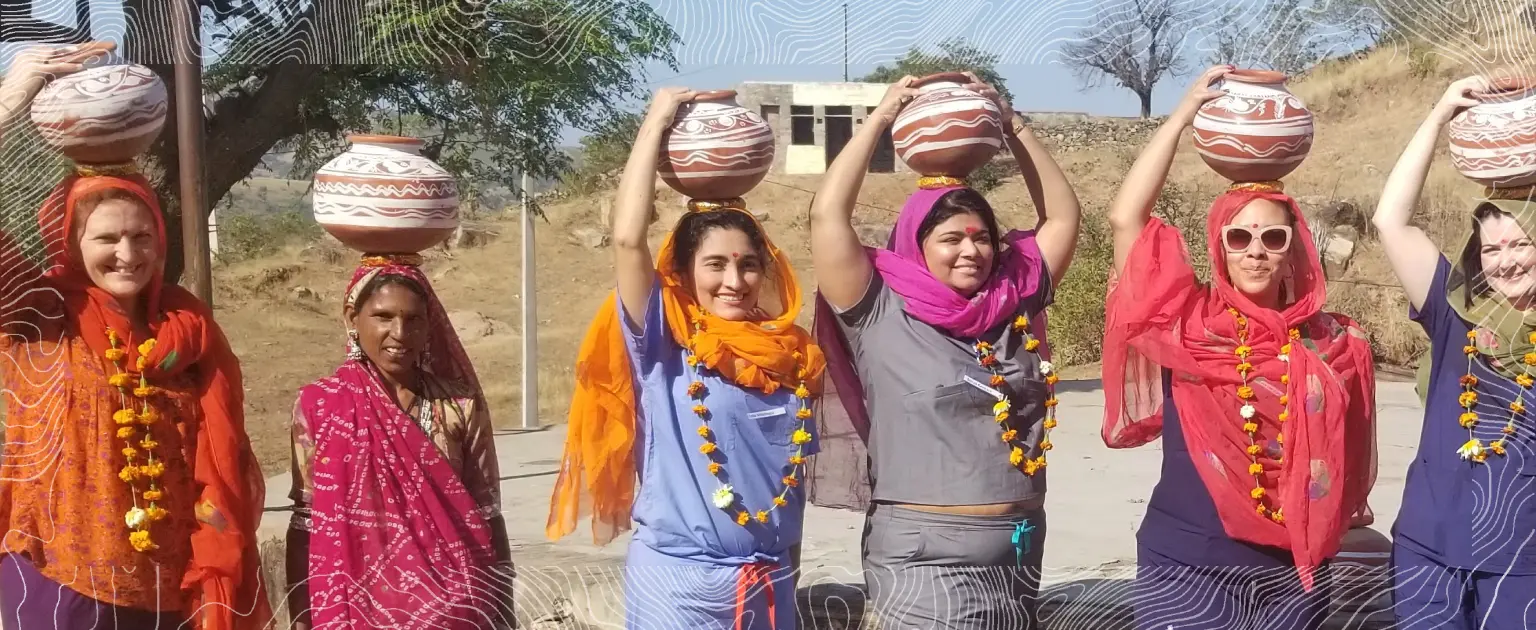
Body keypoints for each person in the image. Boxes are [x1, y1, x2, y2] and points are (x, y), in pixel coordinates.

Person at [0, 44, 272, 630]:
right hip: (59, 581)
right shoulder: (39, 316)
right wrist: (7, 104)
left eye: (142, 236)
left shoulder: (189, 331)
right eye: (106, 239)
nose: (128, 254)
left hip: (170, 591)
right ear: (69, 243)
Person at [1101, 65, 1377, 630]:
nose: (1255, 251)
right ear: (1219, 247)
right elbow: (1126, 218)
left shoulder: (1333, 341)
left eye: (1273, 237)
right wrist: (1182, 116)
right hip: (1188, 564)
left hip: (1294, 572)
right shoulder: (1187, 323)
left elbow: (1349, 457)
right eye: (1239, 237)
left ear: (1293, 250)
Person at [807, 73, 1082, 629]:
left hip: (1019, 553)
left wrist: (1012, 123)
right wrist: (881, 118)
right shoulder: (876, 306)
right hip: (924, 560)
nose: (970, 251)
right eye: (951, 239)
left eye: (981, 237)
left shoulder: (1012, 300)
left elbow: (1062, 218)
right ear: (918, 243)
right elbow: (826, 215)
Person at [546, 87, 826, 630]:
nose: (734, 280)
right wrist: (657, 120)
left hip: (769, 581)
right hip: (678, 586)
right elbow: (627, 242)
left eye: (747, 265)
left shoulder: (790, 356)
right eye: (715, 264)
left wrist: (784, 582)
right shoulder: (665, 345)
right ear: (684, 271)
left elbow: (785, 493)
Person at [1373, 74, 1536, 629]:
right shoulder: (1454, 315)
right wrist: (1440, 113)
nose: (1505, 261)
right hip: (1429, 552)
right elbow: (1390, 220)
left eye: (1521, 244)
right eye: (1491, 249)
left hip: (1522, 565)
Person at [284, 255, 514, 629]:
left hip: (454, 609)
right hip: (356, 609)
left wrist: (504, 614)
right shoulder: (320, 406)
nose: (400, 333)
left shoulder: (458, 405)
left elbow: (488, 512)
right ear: (352, 319)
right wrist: (300, 618)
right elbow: (306, 520)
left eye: (414, 320)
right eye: (383, 316)